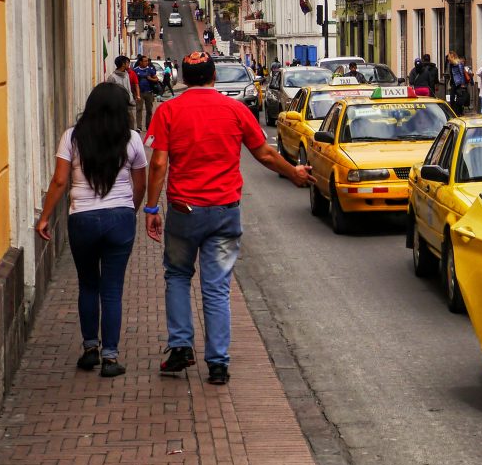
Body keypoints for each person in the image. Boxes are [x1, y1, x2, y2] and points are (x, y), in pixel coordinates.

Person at [143, 52, 314, 385]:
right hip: (224, 210)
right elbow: (263, 152)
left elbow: (159, 163)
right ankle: (218, 363)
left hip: (183, 210)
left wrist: (151, 209)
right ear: (212, 77)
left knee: (178, 275)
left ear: (183, 77)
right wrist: (293, 172)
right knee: (217, 287)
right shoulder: (234, 109)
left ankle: (180, 346)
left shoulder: (168, 111)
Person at [34, 83, 146, 378]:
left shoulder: (72, 137)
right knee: (112, 290)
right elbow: (140, 185)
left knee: (87, 285)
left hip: (82, 218)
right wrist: (129, 212)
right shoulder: (133, 140)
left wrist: (45, 217)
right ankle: (110, 358)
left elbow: (60, 181)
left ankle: (89, 350)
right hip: (120, 218)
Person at [132, 56, 159, 131]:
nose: (147, 62)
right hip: (139, 92)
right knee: (139, 109)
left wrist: (151, 79)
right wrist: (134, 93)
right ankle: (139, 127)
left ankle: (148, 126)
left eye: (147, 61)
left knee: (149, 110)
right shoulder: (135, 70)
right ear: (140, 62)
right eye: (145, 61)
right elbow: (133, 82)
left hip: (149, 92)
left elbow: (156, 79)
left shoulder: (150, 70)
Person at [447, 52, 471, 117]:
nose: (447, 58)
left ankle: (459, 112)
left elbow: (462, 74)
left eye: (449, 56)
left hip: (458, 83)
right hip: (453, 83)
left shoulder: (459, 64)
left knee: (458, 98)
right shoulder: (450, 64)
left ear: (452, 57)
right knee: (452, 98)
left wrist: (462, 84)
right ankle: (455, 112)